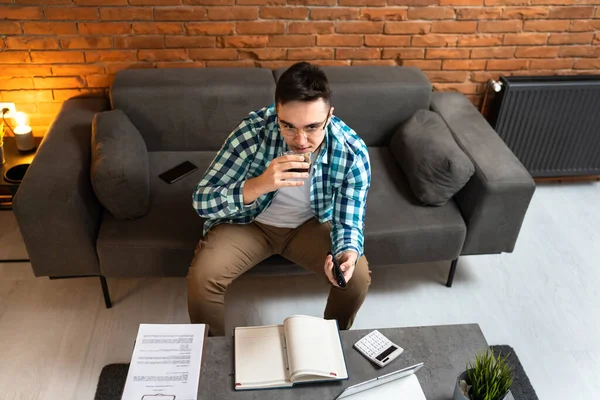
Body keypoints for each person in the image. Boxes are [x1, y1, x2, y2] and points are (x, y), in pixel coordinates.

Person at [188, 62, 372, 336]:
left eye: (312, 127)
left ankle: (332, 342)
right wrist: (259, 184)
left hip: (308, 226)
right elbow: (202, 200)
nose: (300, 140)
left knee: (356, 278)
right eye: (288, 126)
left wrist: (348, 253)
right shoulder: (253, 132)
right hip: (248, 224)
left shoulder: (351, 153)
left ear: (330, 116)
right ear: (277, 114)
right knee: (202, 279)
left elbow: (349, 222)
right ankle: (212, 354)